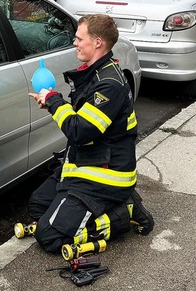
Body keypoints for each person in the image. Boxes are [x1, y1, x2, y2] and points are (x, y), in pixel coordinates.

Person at [26, 14, 154, 254]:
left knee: (49, 237)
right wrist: (54, 103)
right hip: (84, 164)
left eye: (79, 38)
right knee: (37, 206)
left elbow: (79, 130)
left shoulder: (109, 85)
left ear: (97, 43)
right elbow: (82, 122)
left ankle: (125, 212)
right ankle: (103, 208)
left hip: (105, 175)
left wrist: (54, 101)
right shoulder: (94, 74)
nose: (75, 43)